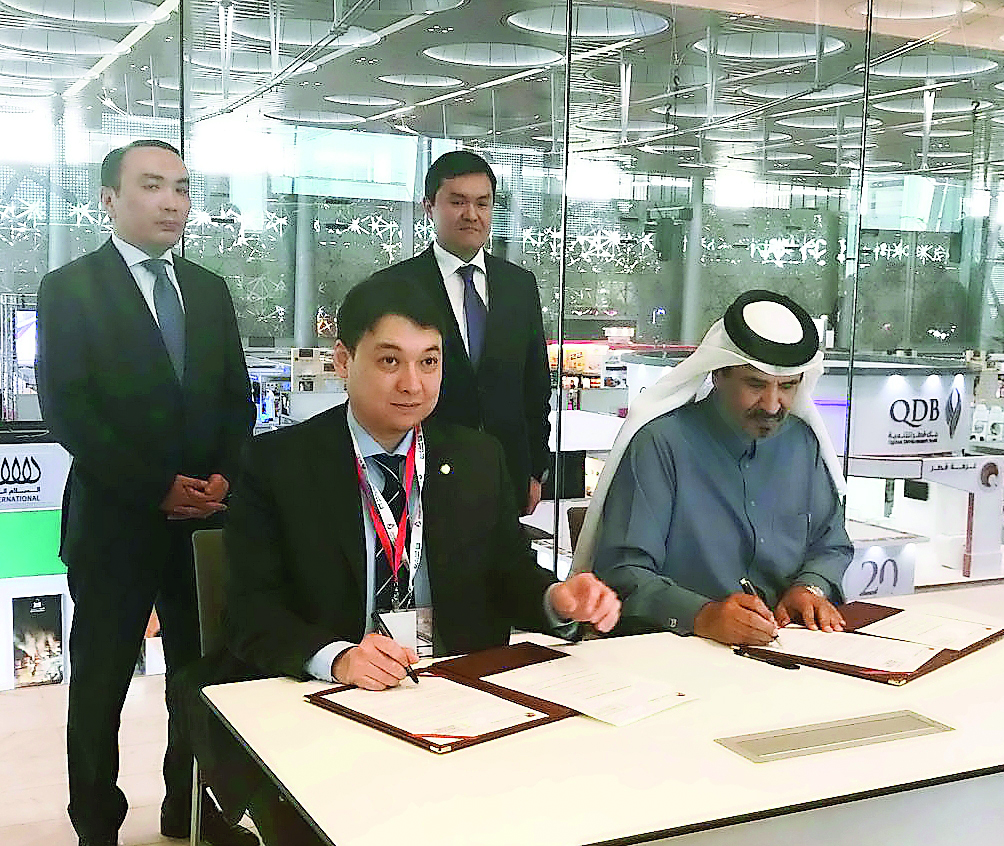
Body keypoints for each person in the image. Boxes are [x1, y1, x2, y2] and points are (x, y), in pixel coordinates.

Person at [187, 274, 619, 845]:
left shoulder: (477, 457)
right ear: (344, 360)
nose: (412, 384)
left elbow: (507, 570)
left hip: (452, 695)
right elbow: (250, 610)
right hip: (325, 698)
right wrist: (336, 657)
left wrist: (556, 597)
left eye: (429, 362)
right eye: (390, 361)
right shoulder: (278, 464)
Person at [35, 140, 257, 846]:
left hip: (204, 525)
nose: (172, 201)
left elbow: (235, 398)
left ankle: (186, 808)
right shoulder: (70, 288)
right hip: (116, 520)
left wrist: (226, 471)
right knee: (99, 686)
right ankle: (95, 823)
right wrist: (156, 487)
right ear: (109, 200)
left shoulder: (210, 289)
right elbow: (70, 411)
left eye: (183, 188)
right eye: (154, 186)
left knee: (197, 680)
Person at [573, 290, 853, 646]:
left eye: (786, 387)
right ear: (718, 374)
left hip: (787, 645)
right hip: (679, 649)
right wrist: (703, 615)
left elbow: (832, 543)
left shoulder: (802, 443)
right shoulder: (662, 444)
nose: (771, 405)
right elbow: (624, 573)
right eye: (755, 384)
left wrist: (809, 586)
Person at [370, 150, 550, 514]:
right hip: (422, 476)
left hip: (506, 476)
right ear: (429, 207)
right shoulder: (395, 287)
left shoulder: (519, 285)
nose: (472, 214)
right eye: (457, 202)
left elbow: (535, 385)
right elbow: (380, 390)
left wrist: (534, 471)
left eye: (483, 203)